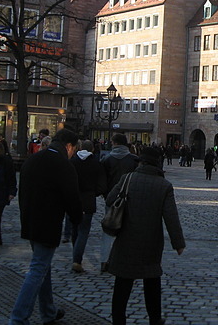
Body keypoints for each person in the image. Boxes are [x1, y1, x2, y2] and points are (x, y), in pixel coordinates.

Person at [9, 128, 82, 325]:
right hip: (48, 222)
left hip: (30, 220)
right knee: (38, 268)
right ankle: (18, 318)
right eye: (73, 150)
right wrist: (77, 221)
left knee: (43, 266)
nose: (72, 153)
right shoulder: (63, 166)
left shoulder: (33, 160)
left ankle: (48, 310)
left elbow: (23, 191)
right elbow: (72, 198)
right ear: (69, 146)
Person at [107, 146, 185, 325]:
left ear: (141, 161)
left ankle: (118, 320)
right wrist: (178, 243)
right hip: (151, 241)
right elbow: (171, 217)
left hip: (126, 238)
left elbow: (110, 199)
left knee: (122, 283)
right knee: (151, 281)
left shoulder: (127, 179)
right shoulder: (164, 185)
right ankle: (155, 318)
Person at [100, 133, 139, 272]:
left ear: (115, 143)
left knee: (108, 229)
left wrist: (106, 195)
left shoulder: (106, 159)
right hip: (130, 199)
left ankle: (105, 260)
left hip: (111, 199)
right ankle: (126, 259)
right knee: (128, 231)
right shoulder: (134, 160)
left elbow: (102, 181)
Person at [71, 139, 107, 273]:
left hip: (73, 199)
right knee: (83, 231)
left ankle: (75, 255)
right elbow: (102, 185)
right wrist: (95, 192)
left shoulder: (73, 161)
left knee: (75, 229)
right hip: (88, 200)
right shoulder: (96, 163)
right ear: (92, 149)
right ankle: (77, 259)